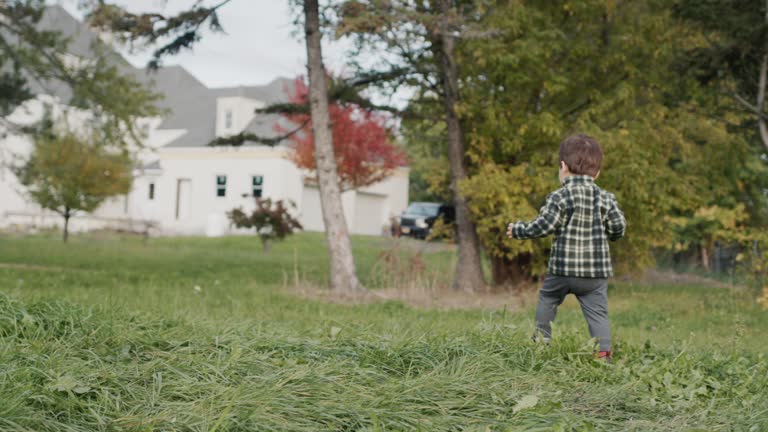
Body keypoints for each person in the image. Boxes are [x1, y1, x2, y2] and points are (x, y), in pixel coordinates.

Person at [506, 134, 626, 362]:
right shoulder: (606, 198)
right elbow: (619, 226)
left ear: (562, 167)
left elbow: (544, 225)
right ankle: (603, 355)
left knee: (548, 299)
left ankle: (542, 343)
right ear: (597, 173)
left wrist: (519, 230)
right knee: (598, 314)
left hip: (562, 270)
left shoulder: (559, 197)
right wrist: (612, 235)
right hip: (594, 274)